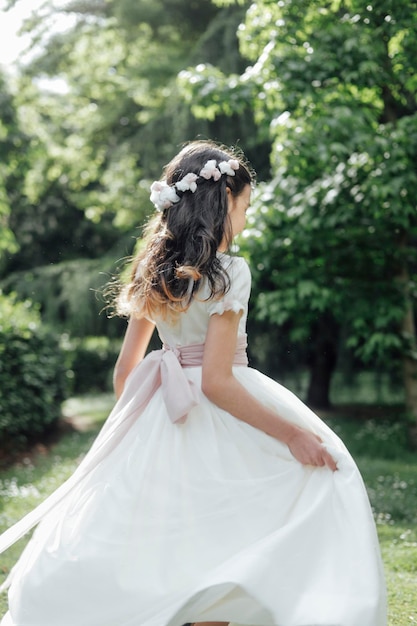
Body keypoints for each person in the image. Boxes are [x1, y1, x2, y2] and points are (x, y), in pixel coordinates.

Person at [0, 140, 386, 626]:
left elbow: (126, 372)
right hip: (223, 415)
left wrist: (149, 426)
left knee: (170, 543)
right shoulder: (229, 274)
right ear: (224, 201)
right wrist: (292, 434)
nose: (245, 219)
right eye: (245, 207)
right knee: (281, 507)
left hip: (163, 412)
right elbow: (219, 382)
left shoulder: (151, 270)